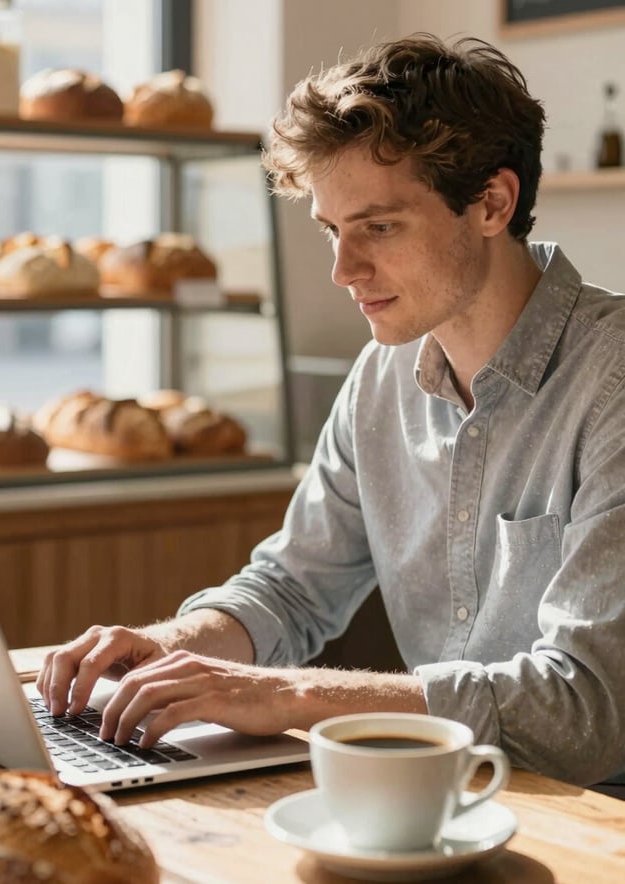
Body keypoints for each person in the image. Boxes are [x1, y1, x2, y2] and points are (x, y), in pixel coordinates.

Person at [38, 33, 625, 787]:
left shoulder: (612, 382)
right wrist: (175, 648)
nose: (344, 271)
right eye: (331, 230)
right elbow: (291, 588)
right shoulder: (383, 373)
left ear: (492, 203)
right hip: (442, 801)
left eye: (378, 226)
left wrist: (288, 695)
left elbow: (586, 714)